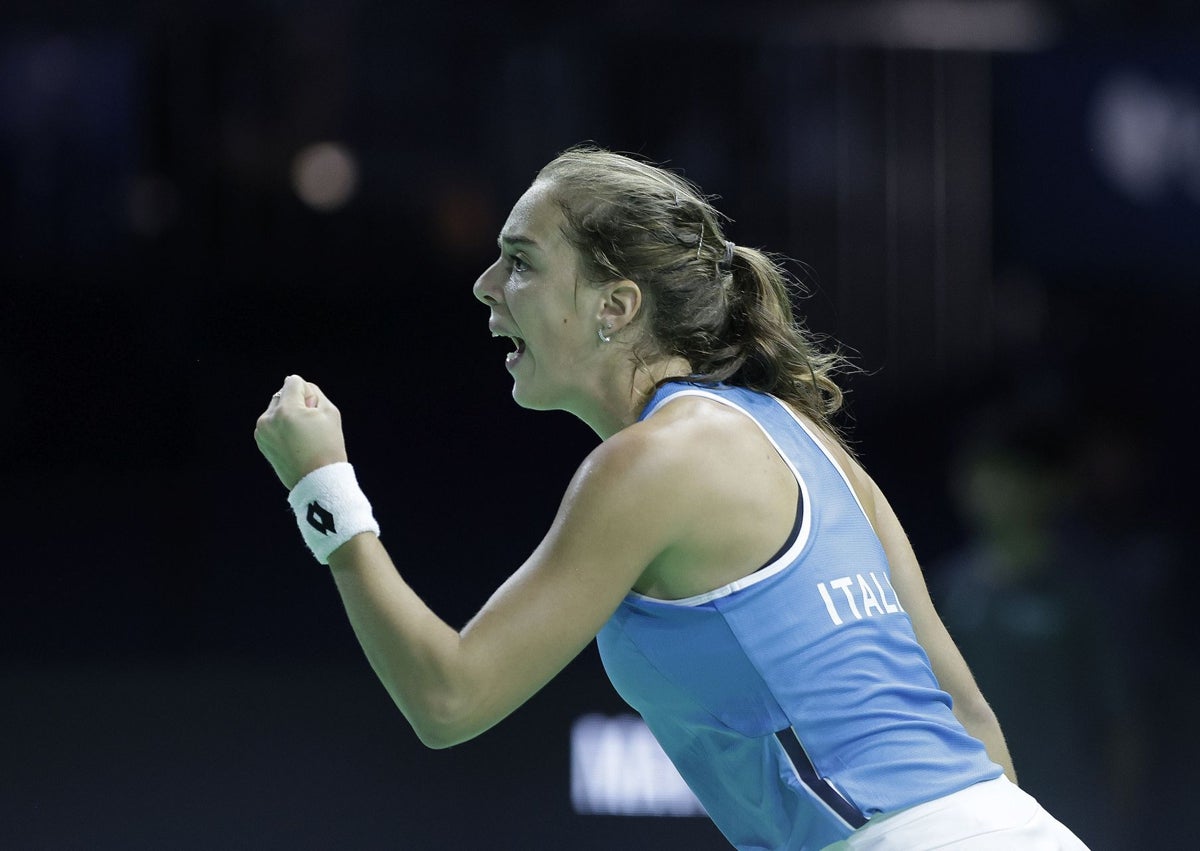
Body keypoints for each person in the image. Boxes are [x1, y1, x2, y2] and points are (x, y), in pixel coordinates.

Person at [254, 146, 1088, 850]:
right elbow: (970, 719)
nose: (483, 284)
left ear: (616, 305)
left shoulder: (653, 461)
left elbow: (449, 697)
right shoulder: (806, 442)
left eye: (521, 262)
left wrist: (322, 488)